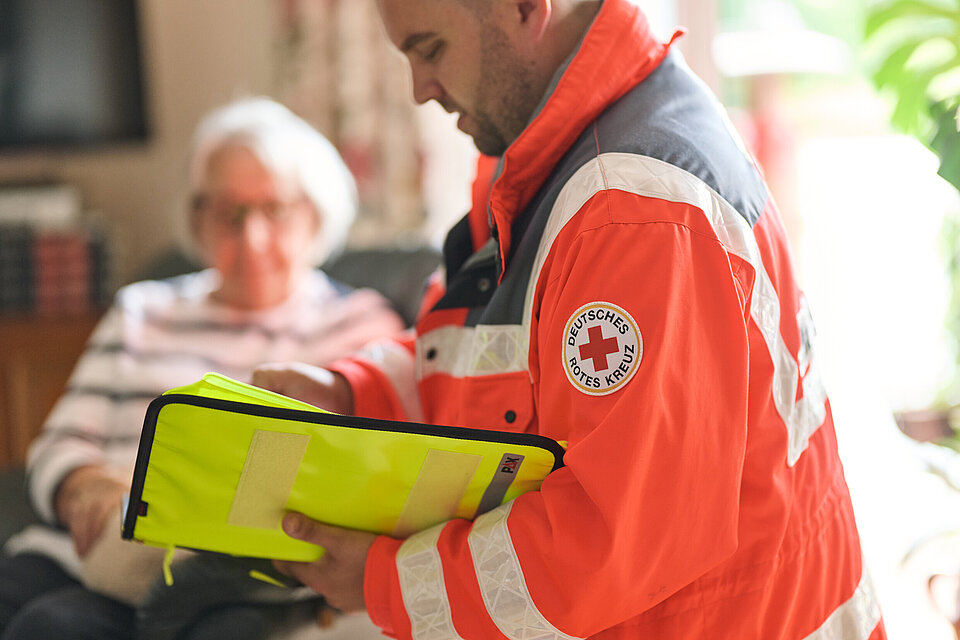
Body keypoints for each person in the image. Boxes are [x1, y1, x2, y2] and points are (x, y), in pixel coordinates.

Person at [250, 0, 889, 638]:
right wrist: (355, 393)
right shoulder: (540, 145)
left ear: (526, 8)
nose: (421, 89)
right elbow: (490, 350)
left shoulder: (633, 213)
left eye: (430, 49)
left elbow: (607, 548)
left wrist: (382, 580)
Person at [0, 96, 404, 640]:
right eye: (229, 213)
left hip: (225, 575)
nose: (251, 238)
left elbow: (370, 480)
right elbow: (60, 440)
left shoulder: (360, 326)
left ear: (315, 213)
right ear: (197, 218)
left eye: (274, 209)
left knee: (54, 628)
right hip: (90, 549)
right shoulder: (141, 309)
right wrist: (85, 485)